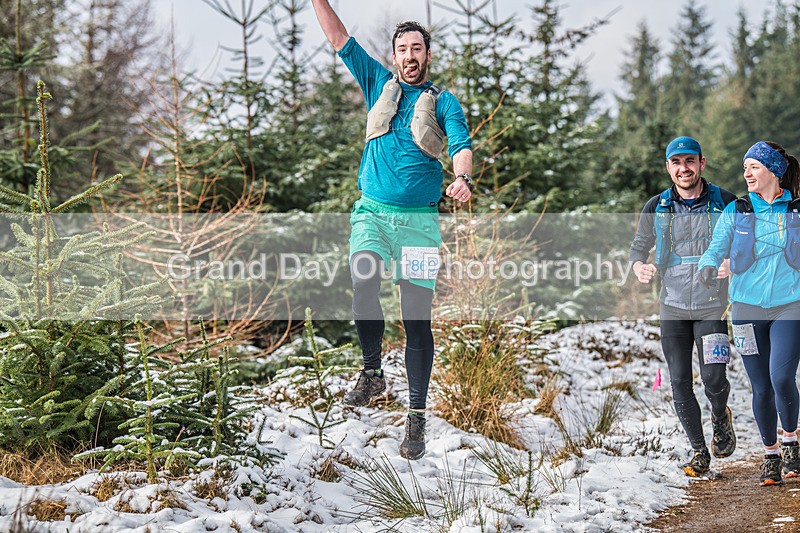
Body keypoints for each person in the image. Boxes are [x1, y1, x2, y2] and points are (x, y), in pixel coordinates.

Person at [310, 0, 473, 460]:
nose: (409, 56)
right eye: (402, 48)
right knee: (364, 278)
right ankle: (372, 372)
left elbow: (461, 144)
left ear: (427, 54)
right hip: (372, 215)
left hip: (419, 224)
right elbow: (339, 37)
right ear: (395, 54)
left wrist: (461, 177)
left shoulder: (444, 102)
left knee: (416, 319)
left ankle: (416, 418)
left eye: (416, 48)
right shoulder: (378, 82)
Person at [629, 136, 737, 477]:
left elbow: (749, 245)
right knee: (679, 381)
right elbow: (638, 248)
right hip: (672, 306)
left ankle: (721, 416)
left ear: (702, 163)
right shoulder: (656, 206)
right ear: (668, 168)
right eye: (676, 162)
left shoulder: (727, 203)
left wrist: (733, 261)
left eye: (689, 161)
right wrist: (639, 267)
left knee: (713, 377)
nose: (683, 168)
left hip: (711, 306)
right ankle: (699, 451)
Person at [699, 140, 800, 486]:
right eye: (745, 168)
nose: (747, 173)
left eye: (754, 167)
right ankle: (770, 455)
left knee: (781, 377)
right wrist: (708, 266)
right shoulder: (737, 210)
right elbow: (715, 247)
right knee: (760, 387)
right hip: (745, 308)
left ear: (773, 170)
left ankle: (790, 442)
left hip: (791, 304)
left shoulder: (797, 209)